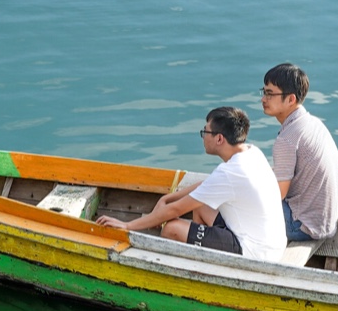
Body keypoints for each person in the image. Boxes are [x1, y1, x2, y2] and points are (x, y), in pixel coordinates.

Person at [96, 106, 288, 261]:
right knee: (201, 204)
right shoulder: (251, 152)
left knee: (171, 229)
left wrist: (128, 226)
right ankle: (199, 255)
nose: (203, 136)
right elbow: (205, 188)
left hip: (254, 252)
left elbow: (174, 211)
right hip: (269, 242)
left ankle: (182, 266)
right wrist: (167, 198)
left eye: (206, 131)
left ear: (219, 138)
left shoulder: (230, 172)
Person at [258, 62, 338, 243]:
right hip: (325, 223)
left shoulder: (287, 139)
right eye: (264, 92)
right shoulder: (313, 124)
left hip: (301, 226)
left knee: (236, 200)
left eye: (270, 94)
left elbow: (277, 195)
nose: (263, 99)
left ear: (291, 99)